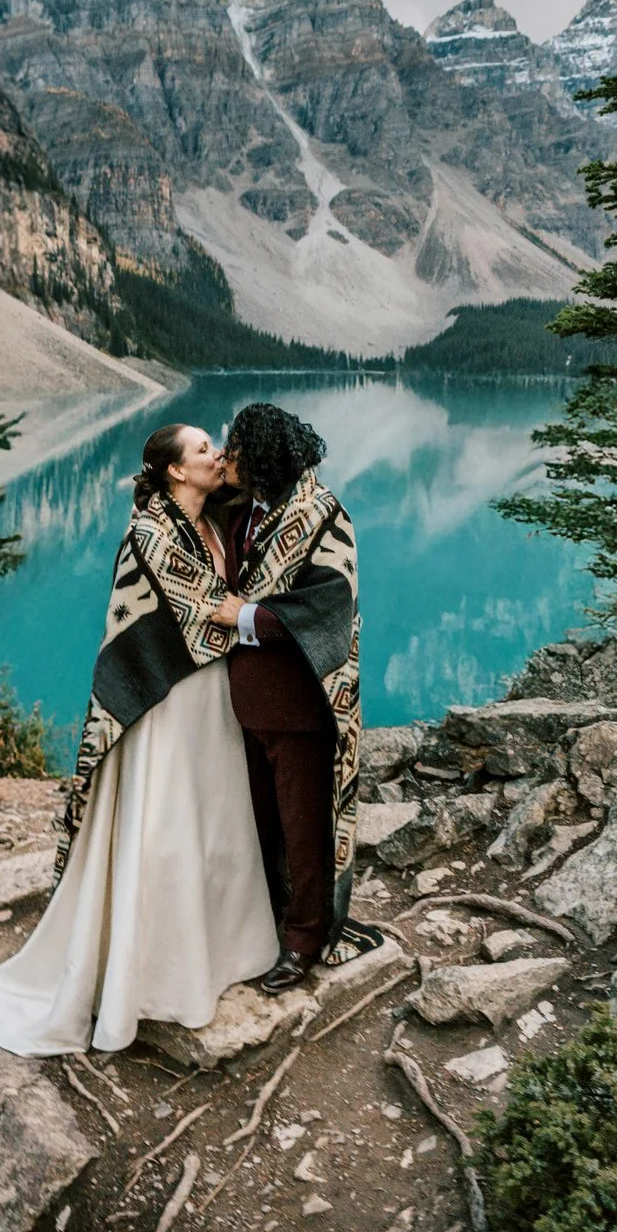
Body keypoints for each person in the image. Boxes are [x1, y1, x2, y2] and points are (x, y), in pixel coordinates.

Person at [0, 423, 279, 1055]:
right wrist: (258, 620)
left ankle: (220, 955)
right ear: (176, 470)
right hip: (167, 697)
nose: (218, 455)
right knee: (169, 827)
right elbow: (197, 611)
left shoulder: (214, 520)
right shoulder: (150, 529)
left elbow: (272, 501)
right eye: (205, 449)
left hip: (211, 698)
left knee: (214, 821)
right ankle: (152, 980)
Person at [217, 402, 382, 993]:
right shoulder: (244, 511)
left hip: (301, 704)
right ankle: (267, 922)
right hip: (247, 706)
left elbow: (330, 602)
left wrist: (248, 616)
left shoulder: (322, 515)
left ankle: (305, 940)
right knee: (259, 823)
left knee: (305, 827)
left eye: (234, 448)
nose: (225, 457)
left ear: (259, 456)